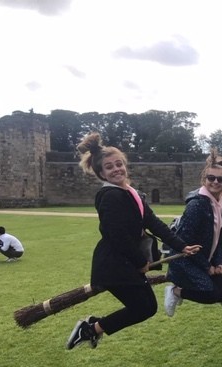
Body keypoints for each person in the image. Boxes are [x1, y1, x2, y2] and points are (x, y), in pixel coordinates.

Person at [66, 132, 200, 350]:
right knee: (144, 308)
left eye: (119, 164)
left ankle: (91, 328)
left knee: (146, 307)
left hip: (125, 263)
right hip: (114, 265)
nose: (116, 169)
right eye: (109, 167)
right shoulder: (110, 196)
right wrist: (140, 261)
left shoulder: (131, 193)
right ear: (101, 173)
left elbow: (153, 223)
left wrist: (181, 245)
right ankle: (89, 329)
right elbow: (117, 236)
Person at [163, 161, 222, 317]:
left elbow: (219, 239)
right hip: (184, 260)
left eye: (220, 179)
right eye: (211, 178)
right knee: (210, 294)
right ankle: (175, 291)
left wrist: (218, 263)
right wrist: (207, 267)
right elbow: (185, 243)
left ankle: (186, 289)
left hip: (204, 259)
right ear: (204, 179)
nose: (215, 182)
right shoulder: (196, 205)